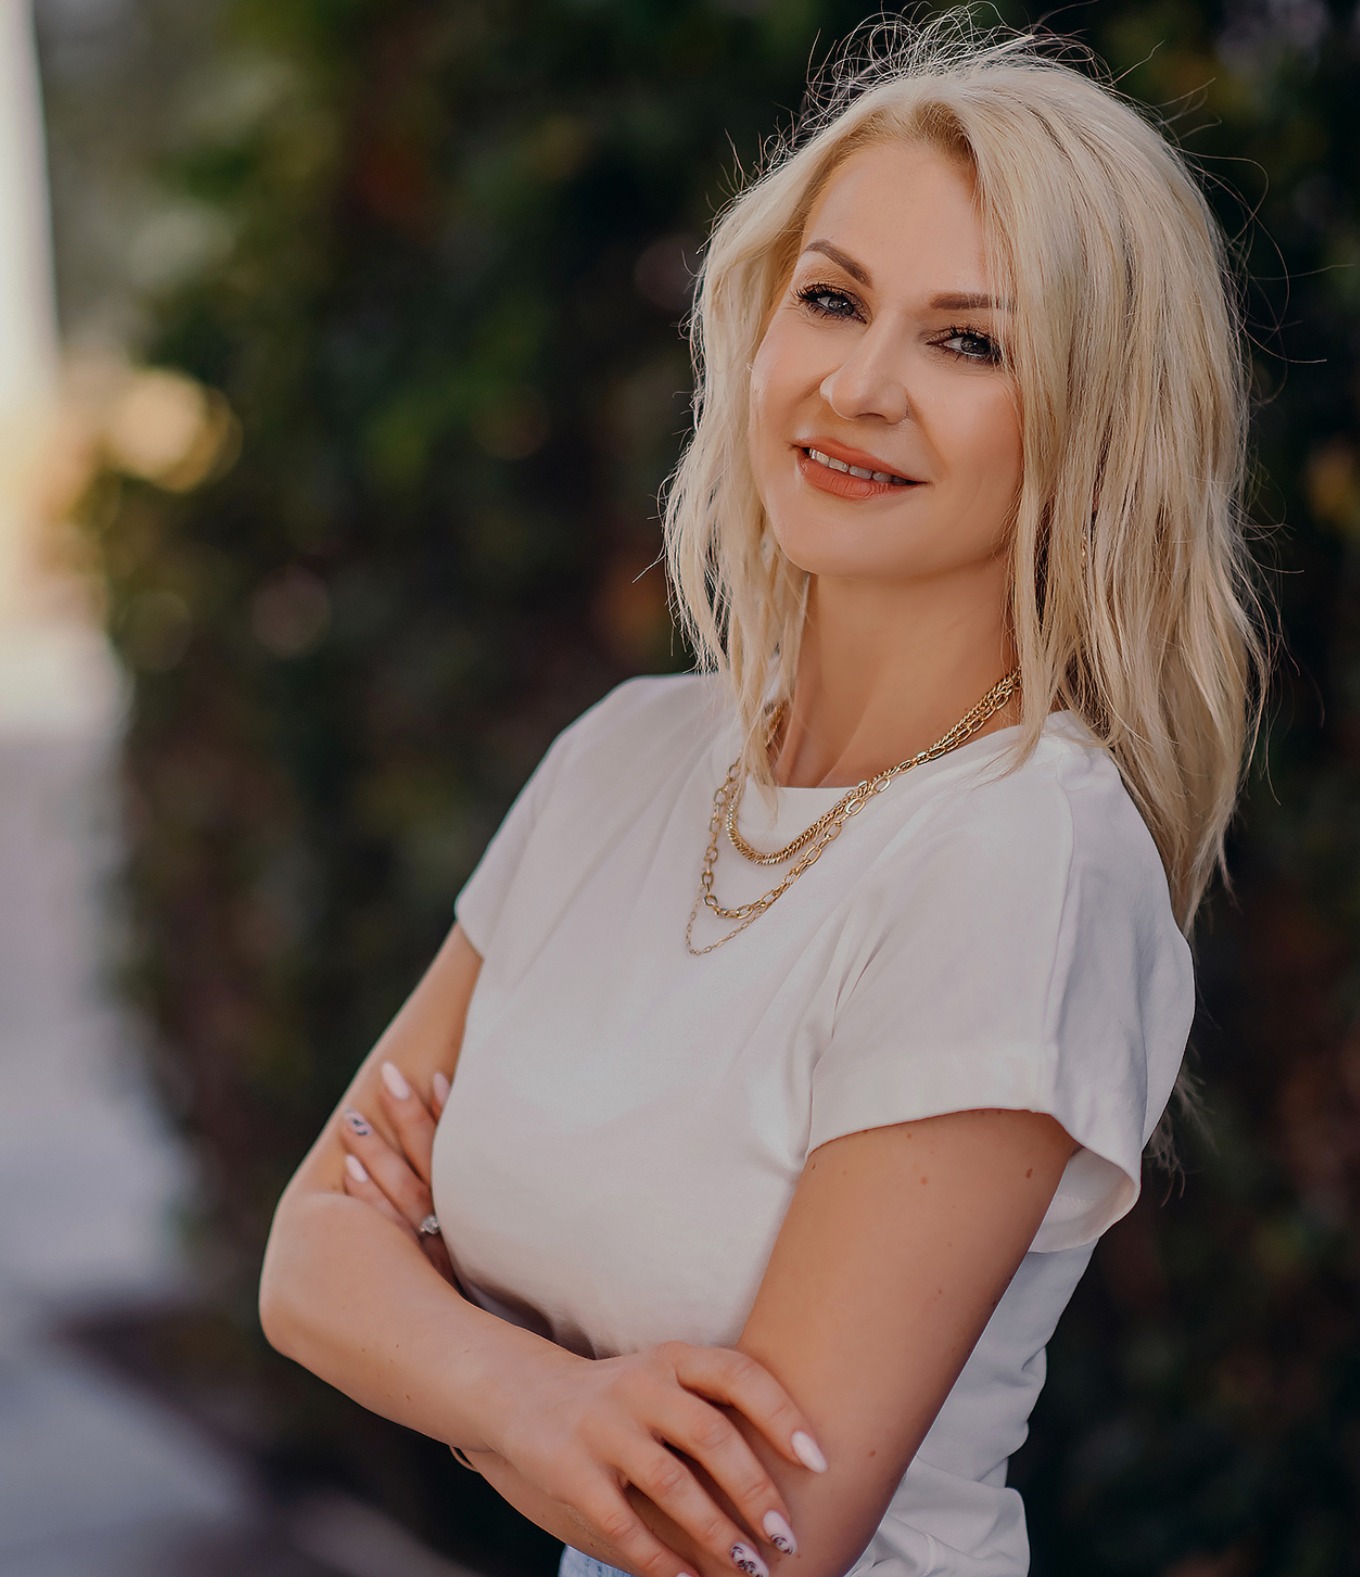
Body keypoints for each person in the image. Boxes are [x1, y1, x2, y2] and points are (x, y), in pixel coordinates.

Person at [258, 15, 1269, 1577]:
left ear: (1093, 422)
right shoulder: (626, 755)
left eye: (966, 342)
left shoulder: (1023, 849)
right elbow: (308, 1254)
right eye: (832, 298)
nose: (857, 385)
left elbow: (749, 1532)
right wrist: (537, 1401)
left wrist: (443, 1336)